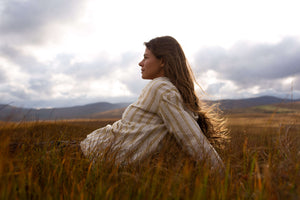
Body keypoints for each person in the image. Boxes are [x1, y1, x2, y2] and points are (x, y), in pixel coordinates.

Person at [80, 36, 228, 170]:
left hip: (93, 154)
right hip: (94, 150)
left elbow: (191, 138)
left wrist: (223, 178)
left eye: (146, 57)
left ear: (162, 61)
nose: (140, 63)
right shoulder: (166, 89)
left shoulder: (162, 88)